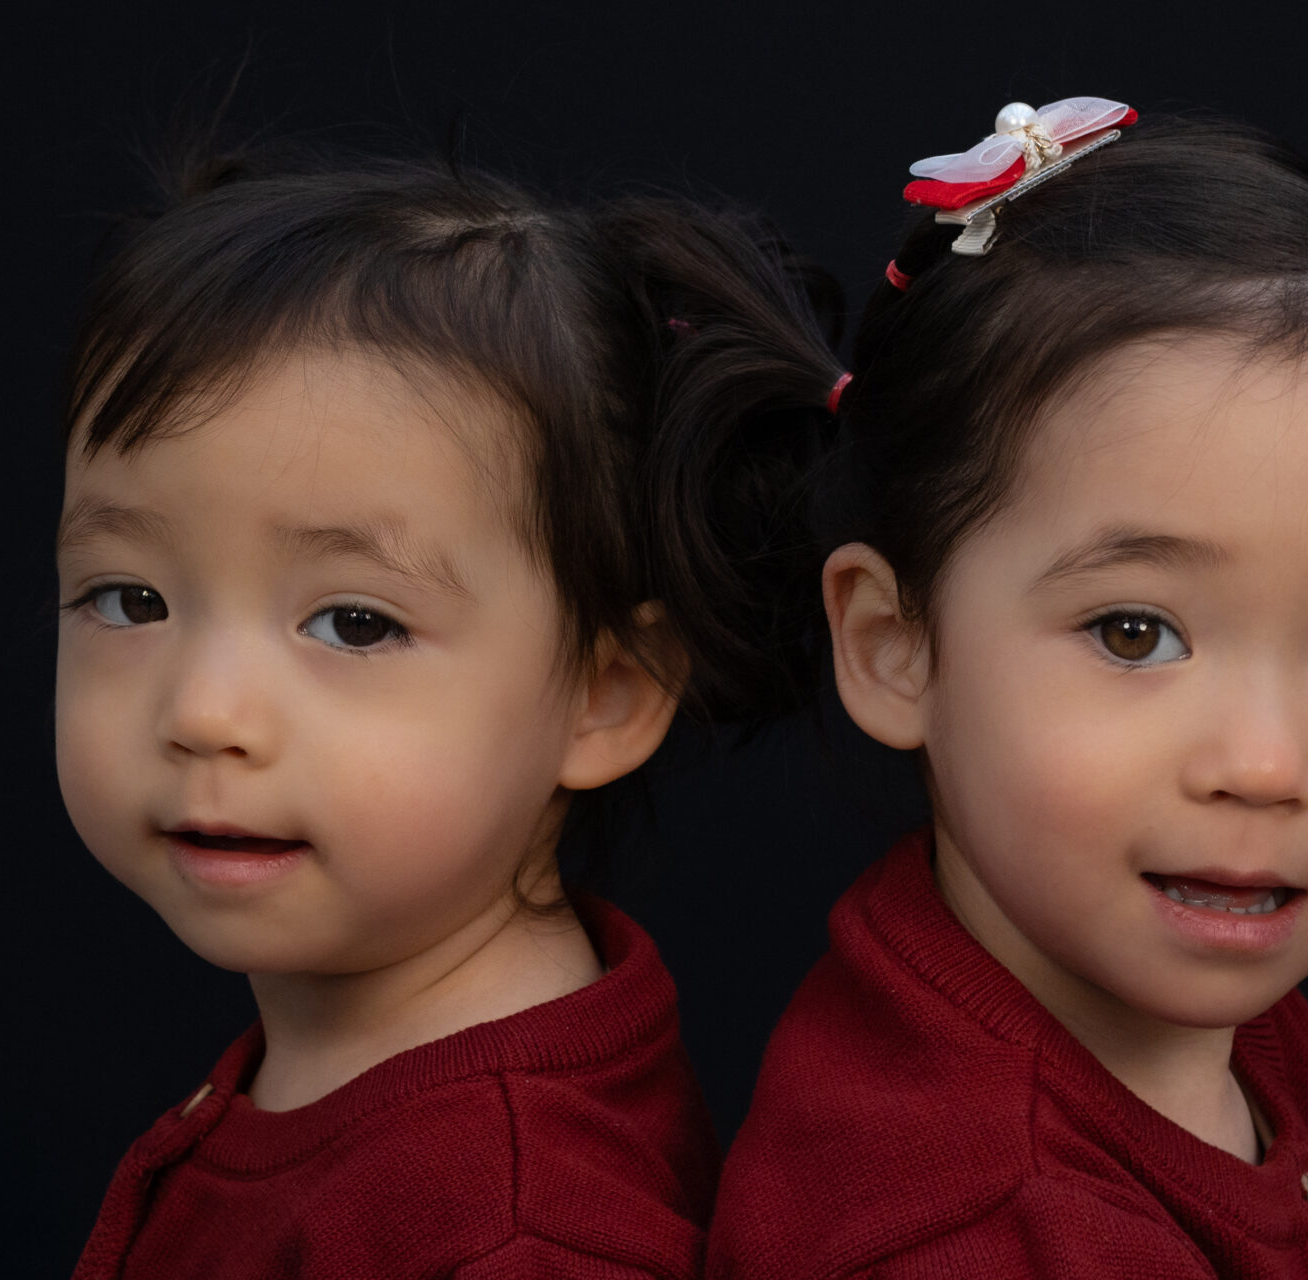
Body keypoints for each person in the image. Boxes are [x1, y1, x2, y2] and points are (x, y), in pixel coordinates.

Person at [681, 100, 1308, 1277]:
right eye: (1135, 632)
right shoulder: (977, 1230)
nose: (1264, 765)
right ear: (894, 640)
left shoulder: (1217, 1019)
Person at [55, 143, 829, 1278]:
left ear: (605, 692)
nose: (204, 711)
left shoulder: (514, 1230)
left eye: (354, 623)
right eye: (132, 599)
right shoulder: (362, 1067)